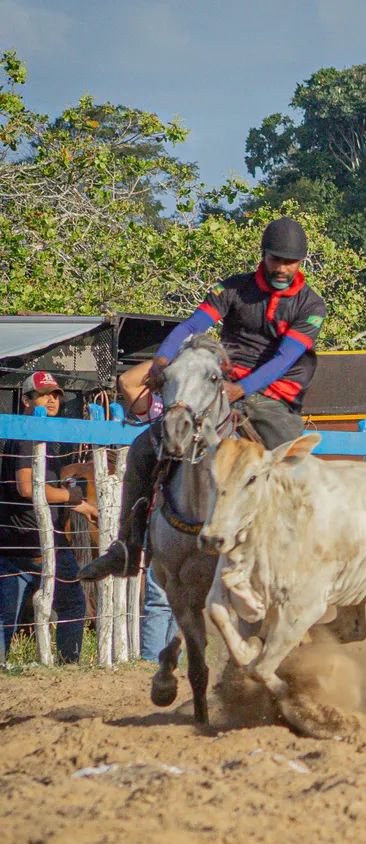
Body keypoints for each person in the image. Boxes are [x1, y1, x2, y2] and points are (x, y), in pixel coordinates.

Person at [80, 217, 327, 581]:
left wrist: (242, 389)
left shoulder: (311, 306)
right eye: (276, 259)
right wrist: (162, 361)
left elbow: (283, 360)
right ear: (264, 255)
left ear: (301, 263)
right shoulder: (232, 289)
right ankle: (126, 548)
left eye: (290, 262)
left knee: (295, 466)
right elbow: (190, 327)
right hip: (216, 385)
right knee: (144, 448)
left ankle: (307, 554)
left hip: (271, 395)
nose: (282, 268)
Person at [0, 373, 96, 663]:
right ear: (27, 400)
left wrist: (84, 508)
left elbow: (42, 492)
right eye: (43, 394)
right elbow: (28, 488)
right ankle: (69, 664)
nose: (51, 399)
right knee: (72, 605)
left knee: (5, 616)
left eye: (55, 394)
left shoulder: (33, 438)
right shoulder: (31, 437)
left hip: (14, 543)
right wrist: (71, 497)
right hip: (39, 545)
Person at [116, 359, 180, 662]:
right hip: (165, 514)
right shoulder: (158, 408)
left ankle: (177, 664)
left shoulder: (210, 406)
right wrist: (171, 353)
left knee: (189, 598)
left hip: (202, 517)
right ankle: (153, 664)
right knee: (160, 598)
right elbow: (128, 382)